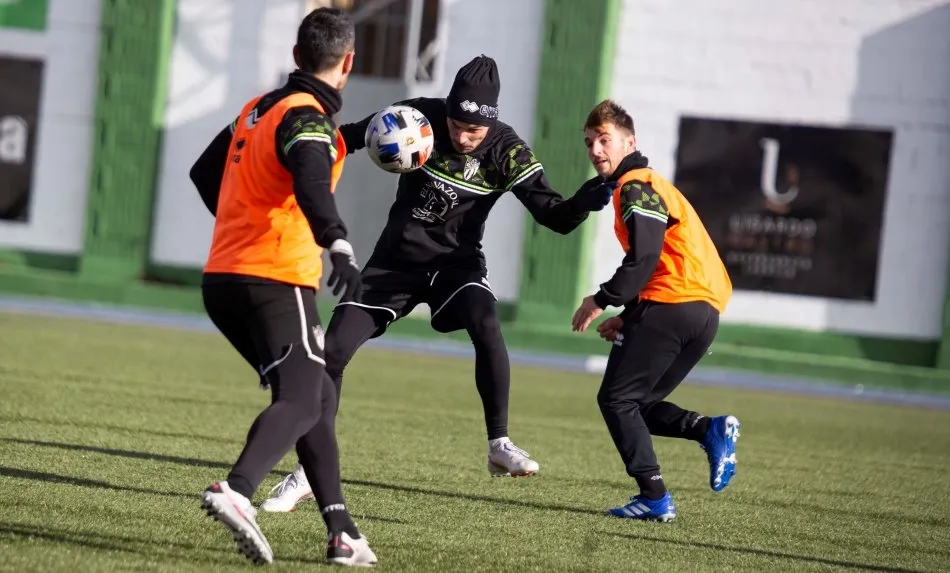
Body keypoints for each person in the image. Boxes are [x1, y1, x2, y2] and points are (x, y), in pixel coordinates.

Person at [258, 54, 617, 512]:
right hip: (394, 265)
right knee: (333, 350)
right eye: (457, 126)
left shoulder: (507, 150)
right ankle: (307, 470)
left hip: (456, 267)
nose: (465, 138)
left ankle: (499, 444)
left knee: (486, 322)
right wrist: (296, 156)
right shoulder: (412, 117)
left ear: (492, 122)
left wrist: (583, 201)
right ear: (445, 110)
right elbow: (341, 140)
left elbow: (555, 217)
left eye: (476, 131)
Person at [188, 8, 377, 566]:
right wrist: (337, 242)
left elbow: (205, 173)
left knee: (313, 398)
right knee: (301, 398)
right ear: (348, 62)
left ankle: (342, 531)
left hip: (223, 277)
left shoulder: (257, 109)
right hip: (275, 279)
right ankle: (238, 490)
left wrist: (239, 226)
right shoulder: (308, 117)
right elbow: (313, 182)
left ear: (297, 57)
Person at [570, 99, 741, 522]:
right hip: (703, 315)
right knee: (639, 404)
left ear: (630, 141)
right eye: (590, 142)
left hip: (672, 305)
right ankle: (708, 429)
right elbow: (663, 260)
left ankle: (654, 496)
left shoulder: (636, 184)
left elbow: (644, 259)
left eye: (604, 140)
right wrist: (629, 317)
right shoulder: (652, 186)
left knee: (616, 400)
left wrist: (602, 298)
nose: (595, 150)